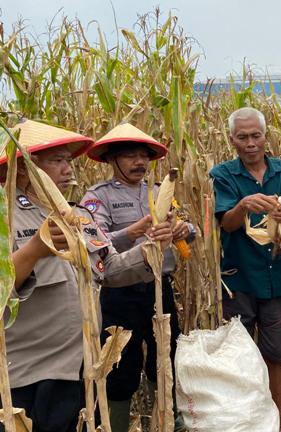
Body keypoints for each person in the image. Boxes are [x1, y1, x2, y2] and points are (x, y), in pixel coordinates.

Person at [1, 119, 174, 431]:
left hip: (79, 366)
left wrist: (152, 247)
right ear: (24, 168)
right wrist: (34, 250)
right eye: (57, 161)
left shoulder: (78, 216)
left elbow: (110, 270)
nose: (69, 169)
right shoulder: (5, 216)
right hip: (24, 372)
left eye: (69, 160)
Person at [80, 124, 195, 431]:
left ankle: (169, 421)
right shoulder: (97, 198)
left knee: (166, 358)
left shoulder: (159, 191)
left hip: (159, 288)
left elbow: (188, 228)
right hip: (120, 293)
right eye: (130, 156)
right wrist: (133, 232)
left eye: (143, 155)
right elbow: (96, 244)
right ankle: (115, 423)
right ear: (112, 161)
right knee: (120, 367)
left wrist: (185, 230)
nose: (139, 162)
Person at [209, 107, 281, 429]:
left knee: (277, 354)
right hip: (238, 278)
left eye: (256, 136)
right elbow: (226, 222)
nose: (251, 143)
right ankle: (242, 422)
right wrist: (244, 205)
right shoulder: (222, 175)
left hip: (278, 278)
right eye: (243, 137)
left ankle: (275, 422)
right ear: (231, 140)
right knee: (238, 354)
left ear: (266, 136)